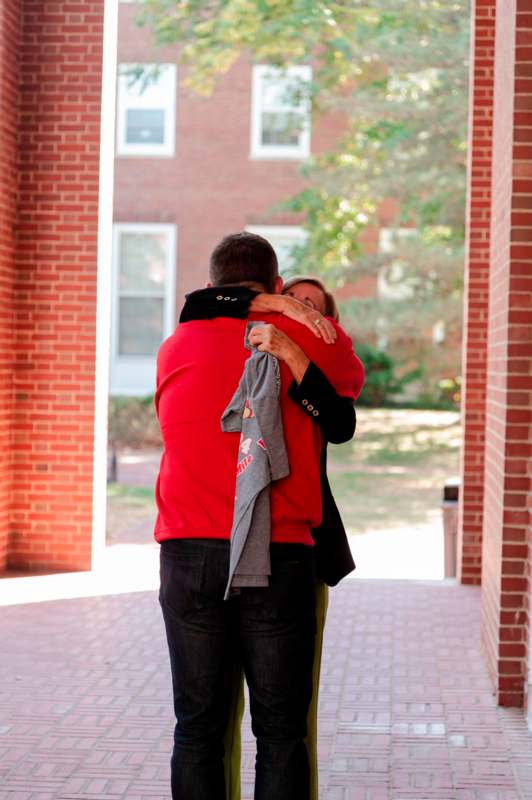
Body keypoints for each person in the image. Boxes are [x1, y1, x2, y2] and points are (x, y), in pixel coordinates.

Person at [154, 232, 364, 800]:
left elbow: (199, 307)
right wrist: (290, 311)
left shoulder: (176, 346)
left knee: (197, 730)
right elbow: (349, 386)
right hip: (279, 554)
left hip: (189, 551)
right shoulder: (311, 335)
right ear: (277, 287)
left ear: (211, 283)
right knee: (279, 734)